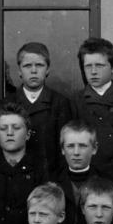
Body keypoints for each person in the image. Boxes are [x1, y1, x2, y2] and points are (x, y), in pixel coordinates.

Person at [66, 37, 113, 181]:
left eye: (99, 66)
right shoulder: (75, 102)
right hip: (88, 176)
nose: (93, 72)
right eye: (88, 66)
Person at [13, 42, 72, 174]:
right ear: (19, 71)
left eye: (39, 65)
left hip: (49, 175)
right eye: (27, 66)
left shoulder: (59, 103)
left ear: (48, 70)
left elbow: (64, 147)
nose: (33, 70)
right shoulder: (9, 102)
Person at [53, 119, 100, 224]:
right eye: (70, 146)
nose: (76, 152)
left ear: (94, 148)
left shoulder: (106, 181)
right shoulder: (51, 181)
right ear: (62, 149)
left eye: (83, 146)